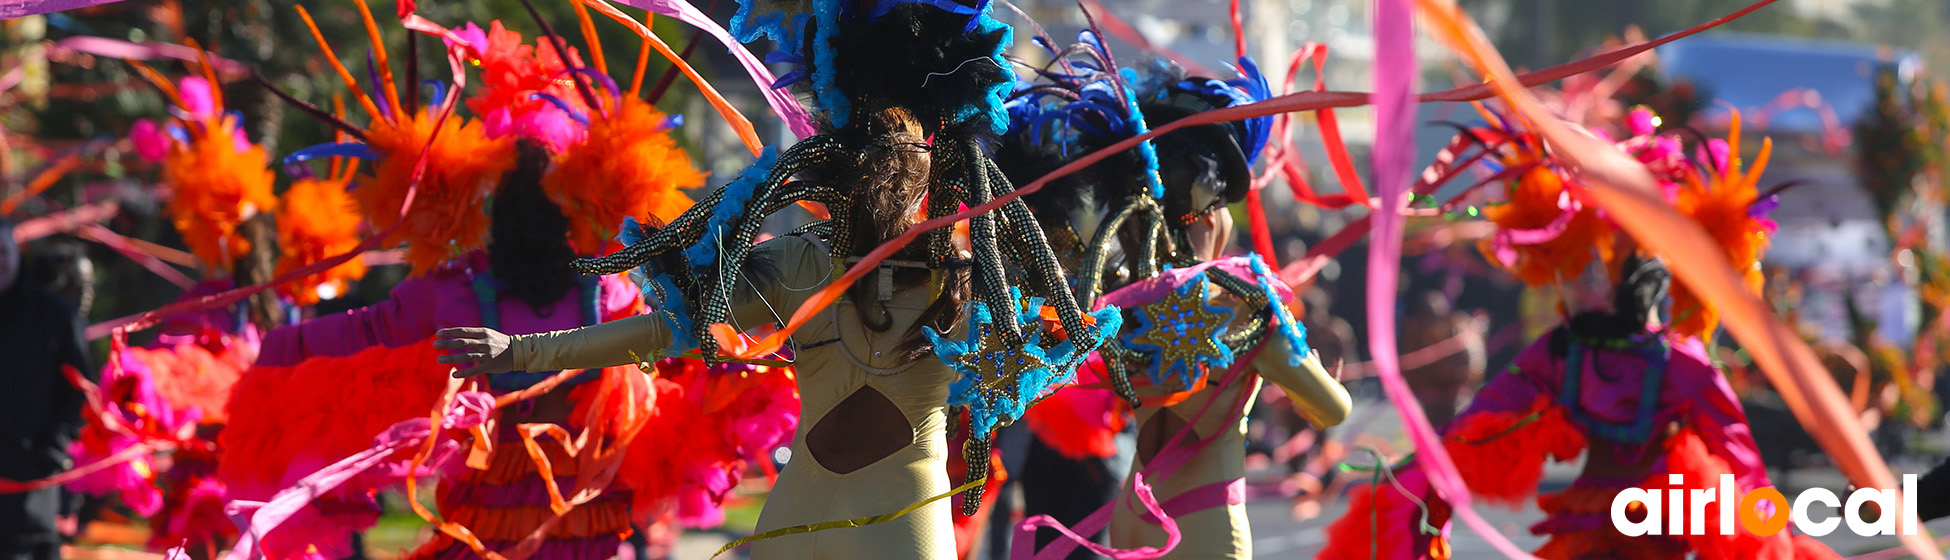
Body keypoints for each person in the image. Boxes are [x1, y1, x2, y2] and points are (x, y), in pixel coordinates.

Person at [433, 1, 1118, 557]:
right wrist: (520, 352)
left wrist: (522, 352)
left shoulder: (954, 273)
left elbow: (665, 333)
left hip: (838, 521)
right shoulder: (935, 270)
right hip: (861, 525)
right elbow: (668, 331)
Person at [996, 37, 1351, 557]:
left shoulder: (1121, 300)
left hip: (1133, 515)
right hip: (1204, 523)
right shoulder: (1243, 300)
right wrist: (1313, 368)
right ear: (1209, 212)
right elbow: (1332, 411)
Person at [0, 217, 95, 560]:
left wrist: (50, 454)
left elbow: (79, 393)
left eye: (3, 252)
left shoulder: (55, 316)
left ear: (15, 253)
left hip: (31, 501)